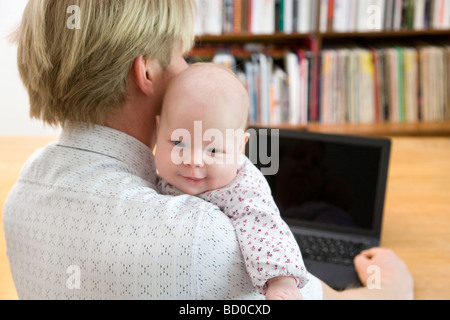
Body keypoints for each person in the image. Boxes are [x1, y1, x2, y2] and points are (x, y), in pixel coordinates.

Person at [2, 0, 414, 300]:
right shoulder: (198, 237)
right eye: (181, 55)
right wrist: (392, 290)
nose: (186, 69)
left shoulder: (19, 196)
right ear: (146, 71)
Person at [154, 63, 307, 300]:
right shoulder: (154, 171)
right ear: (157, 131)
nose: (193, 161)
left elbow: (264, 227)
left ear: (239, 147)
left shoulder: (241, 186)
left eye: (213, 149)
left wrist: (280, 282)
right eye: (179, 143)